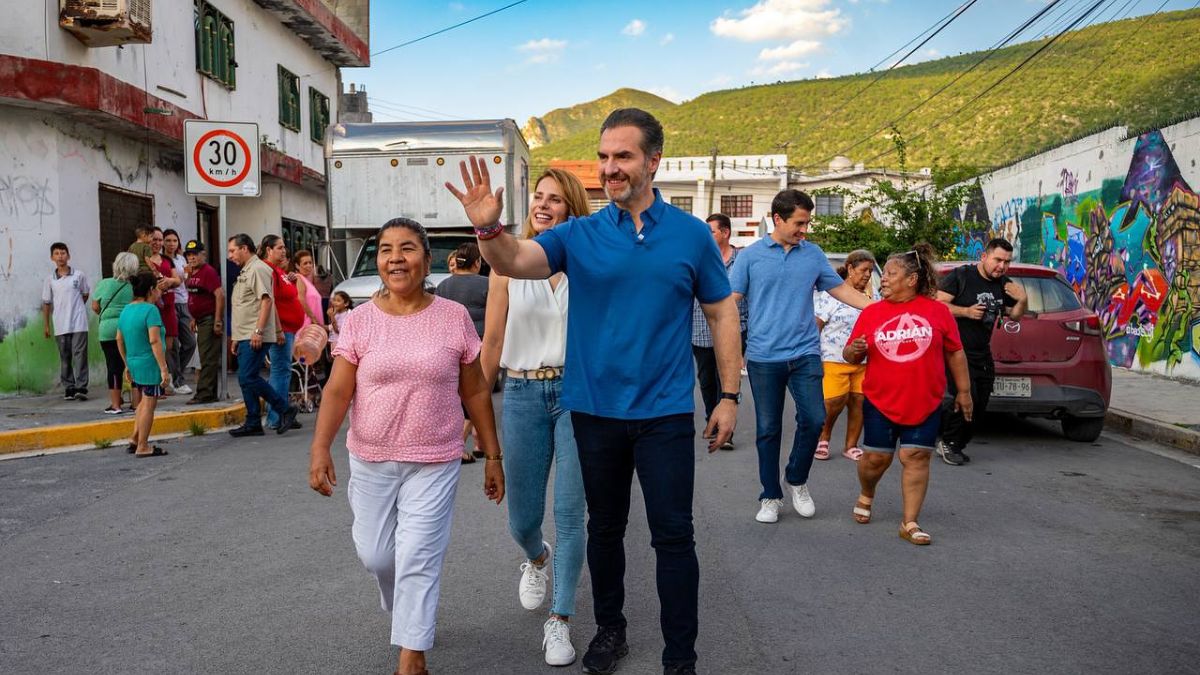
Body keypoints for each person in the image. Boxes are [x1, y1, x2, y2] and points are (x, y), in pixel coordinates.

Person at [447, 108, 741, 675]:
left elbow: (722, 314)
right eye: (604, 157)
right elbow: (515, 260)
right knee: (604, 530)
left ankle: (681, 657)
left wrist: (728, 396)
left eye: (622, 156)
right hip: (594, 411)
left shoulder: (690, 236)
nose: (610, 168)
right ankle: (611, 631)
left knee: (674, 536)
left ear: (653, 161)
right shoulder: (578, 235)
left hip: (665, 412)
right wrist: (488, 229)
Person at [307, 218, 505, 675]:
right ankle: (408, 615)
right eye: (386, 249)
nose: (396, 258)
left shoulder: (452, 317)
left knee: (418, 554)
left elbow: (474, 392)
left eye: (408, 248)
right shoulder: (358, 322)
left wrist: (492, 455)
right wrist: (320, 450)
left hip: (435, 458)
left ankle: (412, 657)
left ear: (426, 257)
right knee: (376, 555)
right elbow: (338, 391)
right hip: (371, 457)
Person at [478, 168, 590, 666]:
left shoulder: (586, 262)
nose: (544, 205)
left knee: (570, 514)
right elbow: (493, 342)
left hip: (576, 395)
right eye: (539, 197)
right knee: (521, 519)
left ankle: (560, 619)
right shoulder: (507, 263)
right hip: (521, 391)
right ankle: (535, 558)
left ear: (572, 209)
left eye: (557, 200)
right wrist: (473, 408)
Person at [730, 189, 872, 525]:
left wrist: (886, 308)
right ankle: (770, 495)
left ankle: (797, 478)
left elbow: (841, 291)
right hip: (764, 357)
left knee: (813, 418)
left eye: (807, 222)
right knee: (767, 429)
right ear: (777, 219)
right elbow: (729, 300)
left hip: (806, 352)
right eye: (799, 222)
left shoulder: (812, 255)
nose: (804, 229)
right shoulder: (750, 257)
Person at [843, 244, 973, 545]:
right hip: (880, 399)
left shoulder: (938, 311)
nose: (883, 279)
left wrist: (964, 392)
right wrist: (854, 350)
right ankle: (867, 491)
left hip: (925, 400)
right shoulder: (872, 312)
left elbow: (955, 353)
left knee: (915, 456)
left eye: (890, 273)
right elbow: (850, 355)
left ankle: (909, 521)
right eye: (883, 273)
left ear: (912, 279)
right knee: (876, 460)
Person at [935, 237, 1027, 466]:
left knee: (981, 402)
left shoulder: (1003, 284)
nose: (1002, 266)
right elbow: (937, 305)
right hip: (956, 351)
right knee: (965, 398)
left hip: (981, 353)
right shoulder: (962, 276)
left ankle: (955, 442)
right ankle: (950, 443)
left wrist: (1022, 298)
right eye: (998, 260)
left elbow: (1014, 314)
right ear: (984, 257)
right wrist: (966, 311)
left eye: (1007, 262)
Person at [225, 234, 298, 437]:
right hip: (245, 334)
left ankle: (284, 408)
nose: (230, 256)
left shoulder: (258, 269)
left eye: (232, 250)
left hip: (254, 334)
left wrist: (258, 331)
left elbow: (266, 302)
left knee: (248, 376)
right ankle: (253, 421)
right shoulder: (247, 270)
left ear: (244, 249)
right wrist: (237, 337)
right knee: (245, 378)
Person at [814, 249, 878, 462]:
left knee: (859, 401)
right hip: (833, 358)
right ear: (850, 269)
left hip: (866, 359)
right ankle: (823, 437)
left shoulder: (874, 297)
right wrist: (813, 356)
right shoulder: (832, 294)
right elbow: (817, 326)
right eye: (863, 270)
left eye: (870, 270)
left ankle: (851, 445)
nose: (868, 275)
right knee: (833, 401)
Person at [690, 212, 747, 451]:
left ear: (725, 233)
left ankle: (726, 428)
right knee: (706, 381)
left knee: (727, 380)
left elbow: (750, 298)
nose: (706, 235)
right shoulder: (697, 258)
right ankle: (711, 422)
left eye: (711, 231)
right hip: (700, 331)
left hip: (734, 330)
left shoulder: (742, 260)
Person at [437, 241, 490, 460]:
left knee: (457, 395)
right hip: (480, 344)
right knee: (476, 393)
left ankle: (480, 442)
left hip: (449, 347)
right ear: (477, 262)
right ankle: (461, 443)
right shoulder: (487, 284)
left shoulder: (443, 286)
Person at [116, 271, 171, 458]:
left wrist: (127, 364)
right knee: (149, 403)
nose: (159, 292)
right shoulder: (150, 310)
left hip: (134, 362)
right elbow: (154, 341)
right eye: (157, 288)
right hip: (150, 363)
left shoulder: (126, 310)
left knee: (142, 402)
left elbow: (119, 339)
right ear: (150, 290)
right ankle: (143, 445)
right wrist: (163, 368)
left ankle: (134, 438)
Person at [258, 235, 305, 430]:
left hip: (288, 329)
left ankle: (282, 414)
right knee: (280, 371)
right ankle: (275, 417)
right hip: (281, 330)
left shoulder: (279, 271)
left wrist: (291, 280)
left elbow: (288, 296)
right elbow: (271, 301)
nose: (284, 251)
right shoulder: (268, 271)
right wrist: (277, 329)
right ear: (268, 250)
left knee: (282, 371)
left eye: (284, 247)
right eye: (279, 248)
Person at [42, 242, 91, 401]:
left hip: (78, 322)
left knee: (80, 355)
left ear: (68, 256)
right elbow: (47, 303)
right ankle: (69, 387)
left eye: (63, 253)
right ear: (52, 258)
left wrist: (76, 309)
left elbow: (85, 294)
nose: (60, 256)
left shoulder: (78, 275)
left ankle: (81, 387)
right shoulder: (50, 280)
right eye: (56, 253)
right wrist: (47, 325)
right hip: (60, 323)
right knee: (65, 356)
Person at [91, 252, 139, 414]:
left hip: (107, 330)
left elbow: (95, 307)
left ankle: (115, 405)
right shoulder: (134, 286)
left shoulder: (104, 284)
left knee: (113, 366)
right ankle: (136, 404)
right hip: (129, 328)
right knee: (132, 364)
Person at [184, 240, 225, 404]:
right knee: (204, 357)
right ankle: (208, 392)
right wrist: (194, 317)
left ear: (203, 255)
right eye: (189, 254)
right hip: (200, 320)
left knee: (208, 358)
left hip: (209, 320)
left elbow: (219, 295)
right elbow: (196, 296)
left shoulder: (208, 272)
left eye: (195, 254)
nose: (192, 257)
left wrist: (217, 321)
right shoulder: (192, 272)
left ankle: (205, 394)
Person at [146, 228, 182, 395]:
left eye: (160, 240)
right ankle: (153, 383)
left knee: (168, 346)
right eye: (155, 239)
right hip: (151, 307)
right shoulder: (143, 259)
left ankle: (166, 381)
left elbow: (178, 280)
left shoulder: (167, 259)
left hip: (168, 306)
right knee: (152, 344)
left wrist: (169, 281)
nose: (158, 243)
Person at [163, 229, 195, 396]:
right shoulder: (163, 260)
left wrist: (188, 273)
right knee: (173, 345)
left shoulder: (181, 258)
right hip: (169, 303)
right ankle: (177, 380)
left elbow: (187, 281)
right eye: (168, 240)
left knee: (190, 342)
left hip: (184, 302)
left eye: (174, 240)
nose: (171, 244)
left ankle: (175, 373)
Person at [291, 249, 325, 329]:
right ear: (297, 265)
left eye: (310, 263)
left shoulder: (308, 281)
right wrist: (313, 318)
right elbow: (301, 299)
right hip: (307, 326)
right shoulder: (299, 278)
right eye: (305, 263)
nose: (309, 265)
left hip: (314, 325)